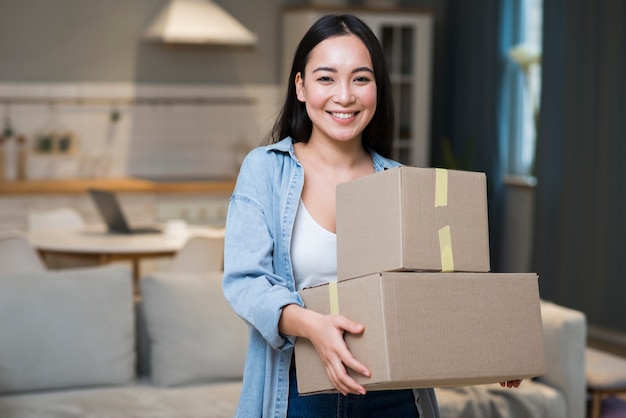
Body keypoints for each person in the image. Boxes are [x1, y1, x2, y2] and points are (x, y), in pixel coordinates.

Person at [222, 14, 519, 418]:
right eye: (326, 78)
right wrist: (313, 327)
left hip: (395, 397)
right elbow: (246, 281)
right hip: (298, 393)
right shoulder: (265, 170)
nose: (344, 96)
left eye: (361, 79)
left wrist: (494, 346)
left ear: (377, 88)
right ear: (301, 87)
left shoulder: (401, 183)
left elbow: (439, 293)